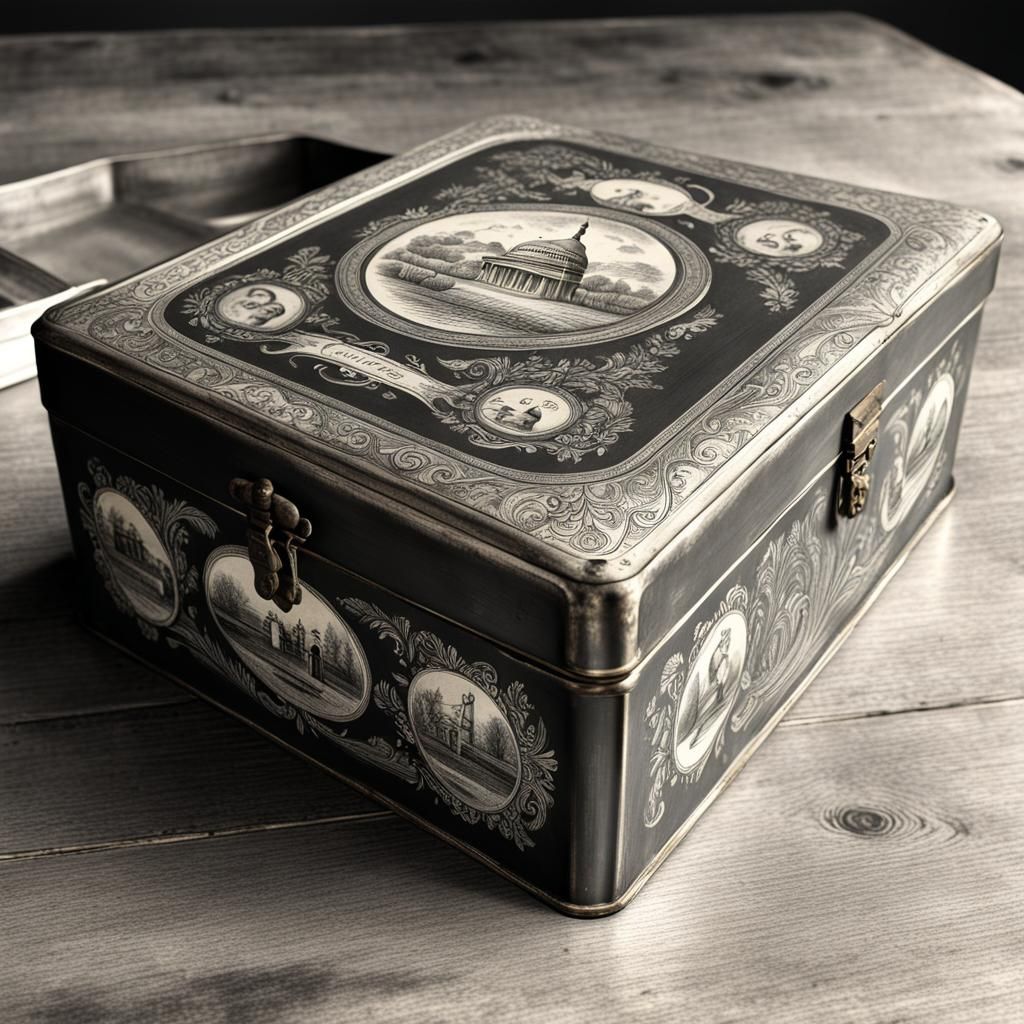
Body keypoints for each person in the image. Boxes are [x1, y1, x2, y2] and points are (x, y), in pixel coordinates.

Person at [221, 285, 287, 327]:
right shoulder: (237, 302)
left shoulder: (261, 314)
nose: (260, 300)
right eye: (259, 296)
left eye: (278, 312)